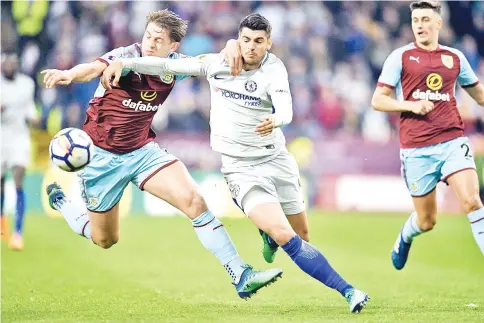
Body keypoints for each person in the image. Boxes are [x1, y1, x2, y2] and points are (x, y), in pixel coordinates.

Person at [102, 13, 370, 314]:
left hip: (277, 160)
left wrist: (276, 119)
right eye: (245, 40)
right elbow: (166, 65)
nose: (251, 47)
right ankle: (349, 291)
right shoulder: (217, 63)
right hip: (240, 168)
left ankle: (266, 233)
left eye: (258, 41)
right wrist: (125, 63)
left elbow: (287, 110)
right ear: (238, 40)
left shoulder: (274, 69)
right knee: (287, 237)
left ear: (269, 43)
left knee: (302, 235)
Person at [41, 9, 282, 299]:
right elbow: (93, 68)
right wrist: (69, 74)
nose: (150, 44)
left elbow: (212, 61)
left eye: (158, 40)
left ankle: (240, 274)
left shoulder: (175, 67)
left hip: (142, 151)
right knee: (104, 239)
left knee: (194, 201)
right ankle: (63, 203)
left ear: (173, 47)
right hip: (101, 157)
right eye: (147, 36)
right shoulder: (125, 57)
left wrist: (233, 45)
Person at [371, 1, 484, 270]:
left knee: (472, 201)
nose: (419, 25)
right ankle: (405, 236)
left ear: (438, 24)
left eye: (424, 19)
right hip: (416, 148)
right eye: (415, 20)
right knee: (427, 220)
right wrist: (410, 105)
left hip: (452, 140)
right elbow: (378, 100)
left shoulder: (454, 57)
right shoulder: (400, 57)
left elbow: (478, 94)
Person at [1, 53, 39, 251]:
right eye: (7, 64)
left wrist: (34, 117)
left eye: (14, 63)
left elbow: (29, 108)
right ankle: (1, 223)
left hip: (19, 137)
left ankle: (17, 233)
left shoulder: (27, 84)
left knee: (18, 180)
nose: (11, 67)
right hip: (1, 136)